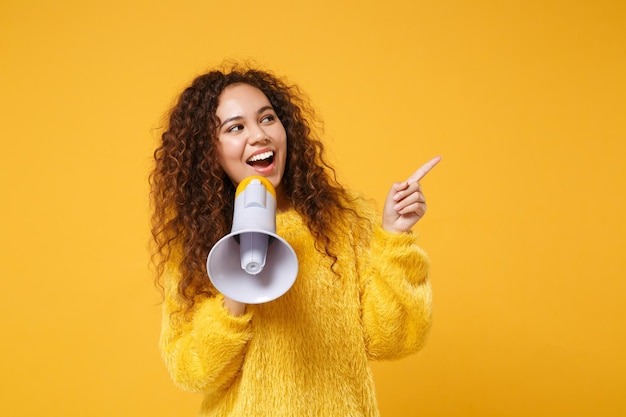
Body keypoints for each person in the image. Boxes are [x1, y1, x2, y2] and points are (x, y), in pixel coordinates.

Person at [150, 63, 440, 417]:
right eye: (236, 127)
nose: (259, 135)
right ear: (208, 151)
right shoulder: (198, 245)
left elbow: (394, 339)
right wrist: (235, 292)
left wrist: (395, 236)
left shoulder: (343, 219)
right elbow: (192, 371)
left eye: (267, 118)